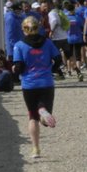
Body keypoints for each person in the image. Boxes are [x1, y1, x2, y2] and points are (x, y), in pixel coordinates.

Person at [12, 15, 63, 160]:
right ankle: (43, 111)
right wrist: (52, 69)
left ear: (23, 29)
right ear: (38, 28)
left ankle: (35, 149)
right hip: (46, 82)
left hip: (29, 84)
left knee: (32, 117)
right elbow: (58, 59)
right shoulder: (47, 42)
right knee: (44, 114)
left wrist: (16, 71)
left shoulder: (19, 45)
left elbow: (19, 66)